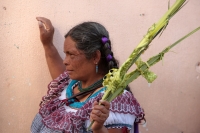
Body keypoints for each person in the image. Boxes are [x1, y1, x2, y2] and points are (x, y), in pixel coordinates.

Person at [31, 17, 145, 133]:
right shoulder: (71, 83)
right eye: (66, 54)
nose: (65, 61)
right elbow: (58, 71)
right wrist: (47, 44)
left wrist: (99, 129)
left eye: (72, 55)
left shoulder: (112, 101)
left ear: (95, 56)